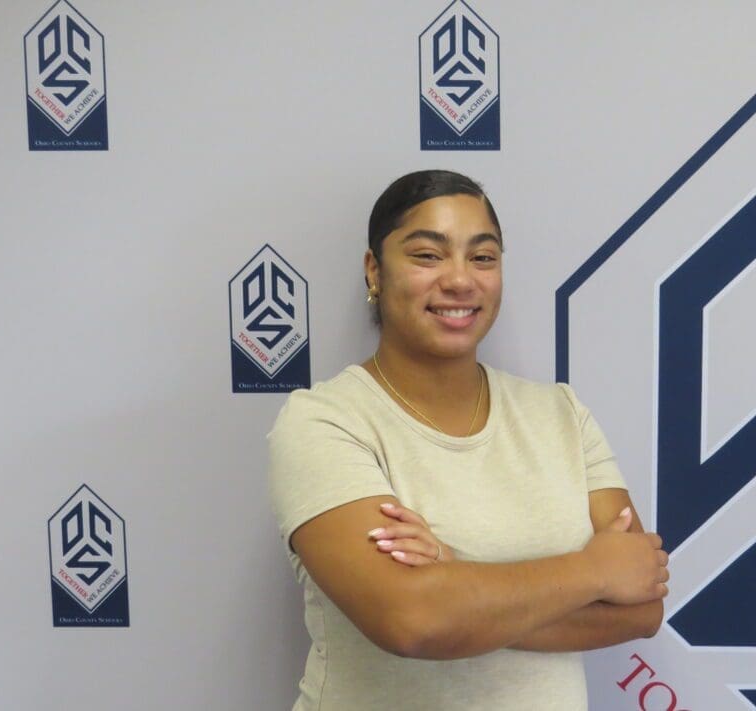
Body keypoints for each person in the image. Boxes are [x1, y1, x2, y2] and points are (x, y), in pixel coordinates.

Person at [268, 170, 669, 710]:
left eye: (482, 257)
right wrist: (594, 571)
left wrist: (455, 575)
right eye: (428, 255)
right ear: (374, 270)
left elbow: (640, 607)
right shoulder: (327, 421)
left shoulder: (561, 415)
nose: (460, 281)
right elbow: (412, 621)